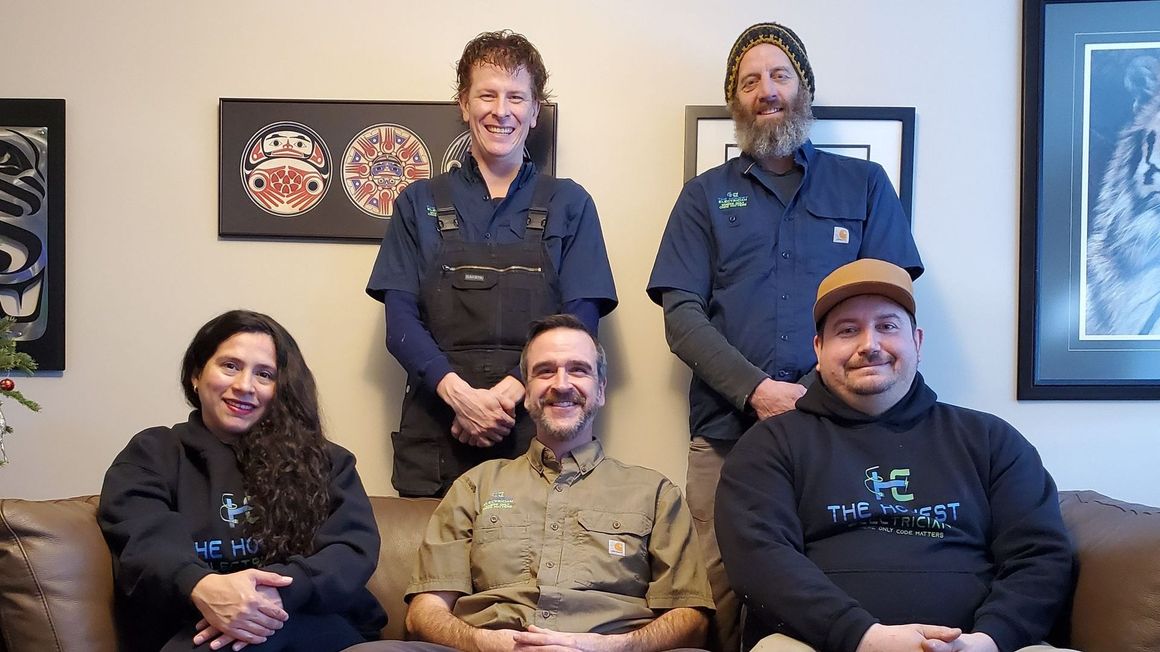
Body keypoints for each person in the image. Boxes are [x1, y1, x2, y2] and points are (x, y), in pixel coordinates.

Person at [646, 21, 924, 650]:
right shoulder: (703, 198)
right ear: (734, 101)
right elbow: (680, 314)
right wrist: (758, 392)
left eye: (779, 75)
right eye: (749, 81)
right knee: (713, 591)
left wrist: (815, 394)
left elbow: (890, 305)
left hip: (848, 434)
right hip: (726, 435)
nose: (766, 91)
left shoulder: (866, 186)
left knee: (843, 574)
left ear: (803, 89)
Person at [715, 259, 1075, 652]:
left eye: (887, 326)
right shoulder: (768, 446)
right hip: (816, 644)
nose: (869, 345)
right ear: (819, 349)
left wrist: (989, 640)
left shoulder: (990, 440)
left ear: (917, 341)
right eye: (848, 330)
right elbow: (760, 562)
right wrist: (863, 637)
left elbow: (1040, 556)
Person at [349, 314, 713, 652]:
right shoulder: (475, 487)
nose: (562, 384)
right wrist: (487, 643)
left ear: (600, 389)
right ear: (526, 389)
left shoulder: (655, 493)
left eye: (578, 370)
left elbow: (691, 619)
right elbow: (424, 612)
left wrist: (601, 647)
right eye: (545, 371)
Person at [367, 30, 618, 498]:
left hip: (536, 428)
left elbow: (582, 321)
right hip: (438, 430)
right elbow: (399, 322)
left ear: (534, 110)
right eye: (487, 94)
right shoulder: (417, 202)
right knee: (434, 568)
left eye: (516, 97)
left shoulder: (570, 203)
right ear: (464, 104)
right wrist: (461, 398)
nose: (501, 111)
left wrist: (508, 394)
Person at [99, 310, 386, 652]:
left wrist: (272, 595)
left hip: (314, 626)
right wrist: (201, 585)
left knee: (255, 633)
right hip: (191, 629)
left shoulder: (328, 462)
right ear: (196, 374)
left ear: (281, 389)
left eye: (264, 374)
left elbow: (351, 550)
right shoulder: (153, 453)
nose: (244, 386)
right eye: (230, 366)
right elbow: (142, 539)